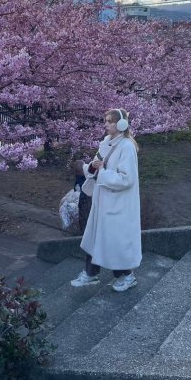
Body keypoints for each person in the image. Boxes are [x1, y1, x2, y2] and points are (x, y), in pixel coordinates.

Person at [70, 108, 142, 292]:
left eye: (110, 121)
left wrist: (102, 171)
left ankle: (127, 276)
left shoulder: (127, 146)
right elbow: (97, 165)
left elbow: (127, 179)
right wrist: (90, 167)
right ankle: (90, 273)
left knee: (114, 241)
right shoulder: (107, 142)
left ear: (121, 124)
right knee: (94, 238)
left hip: (118, 204)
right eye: (106, 121)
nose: (106, 124)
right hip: (102, 202)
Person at [73, 160, 92, 234]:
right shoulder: (79, 176)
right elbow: (77, 184)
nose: (78, 174)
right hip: (81, 197)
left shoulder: (88, 174)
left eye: (79, 172)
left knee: (85, 215)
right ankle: (82, 230)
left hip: (86, 198)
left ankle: (84, 231)